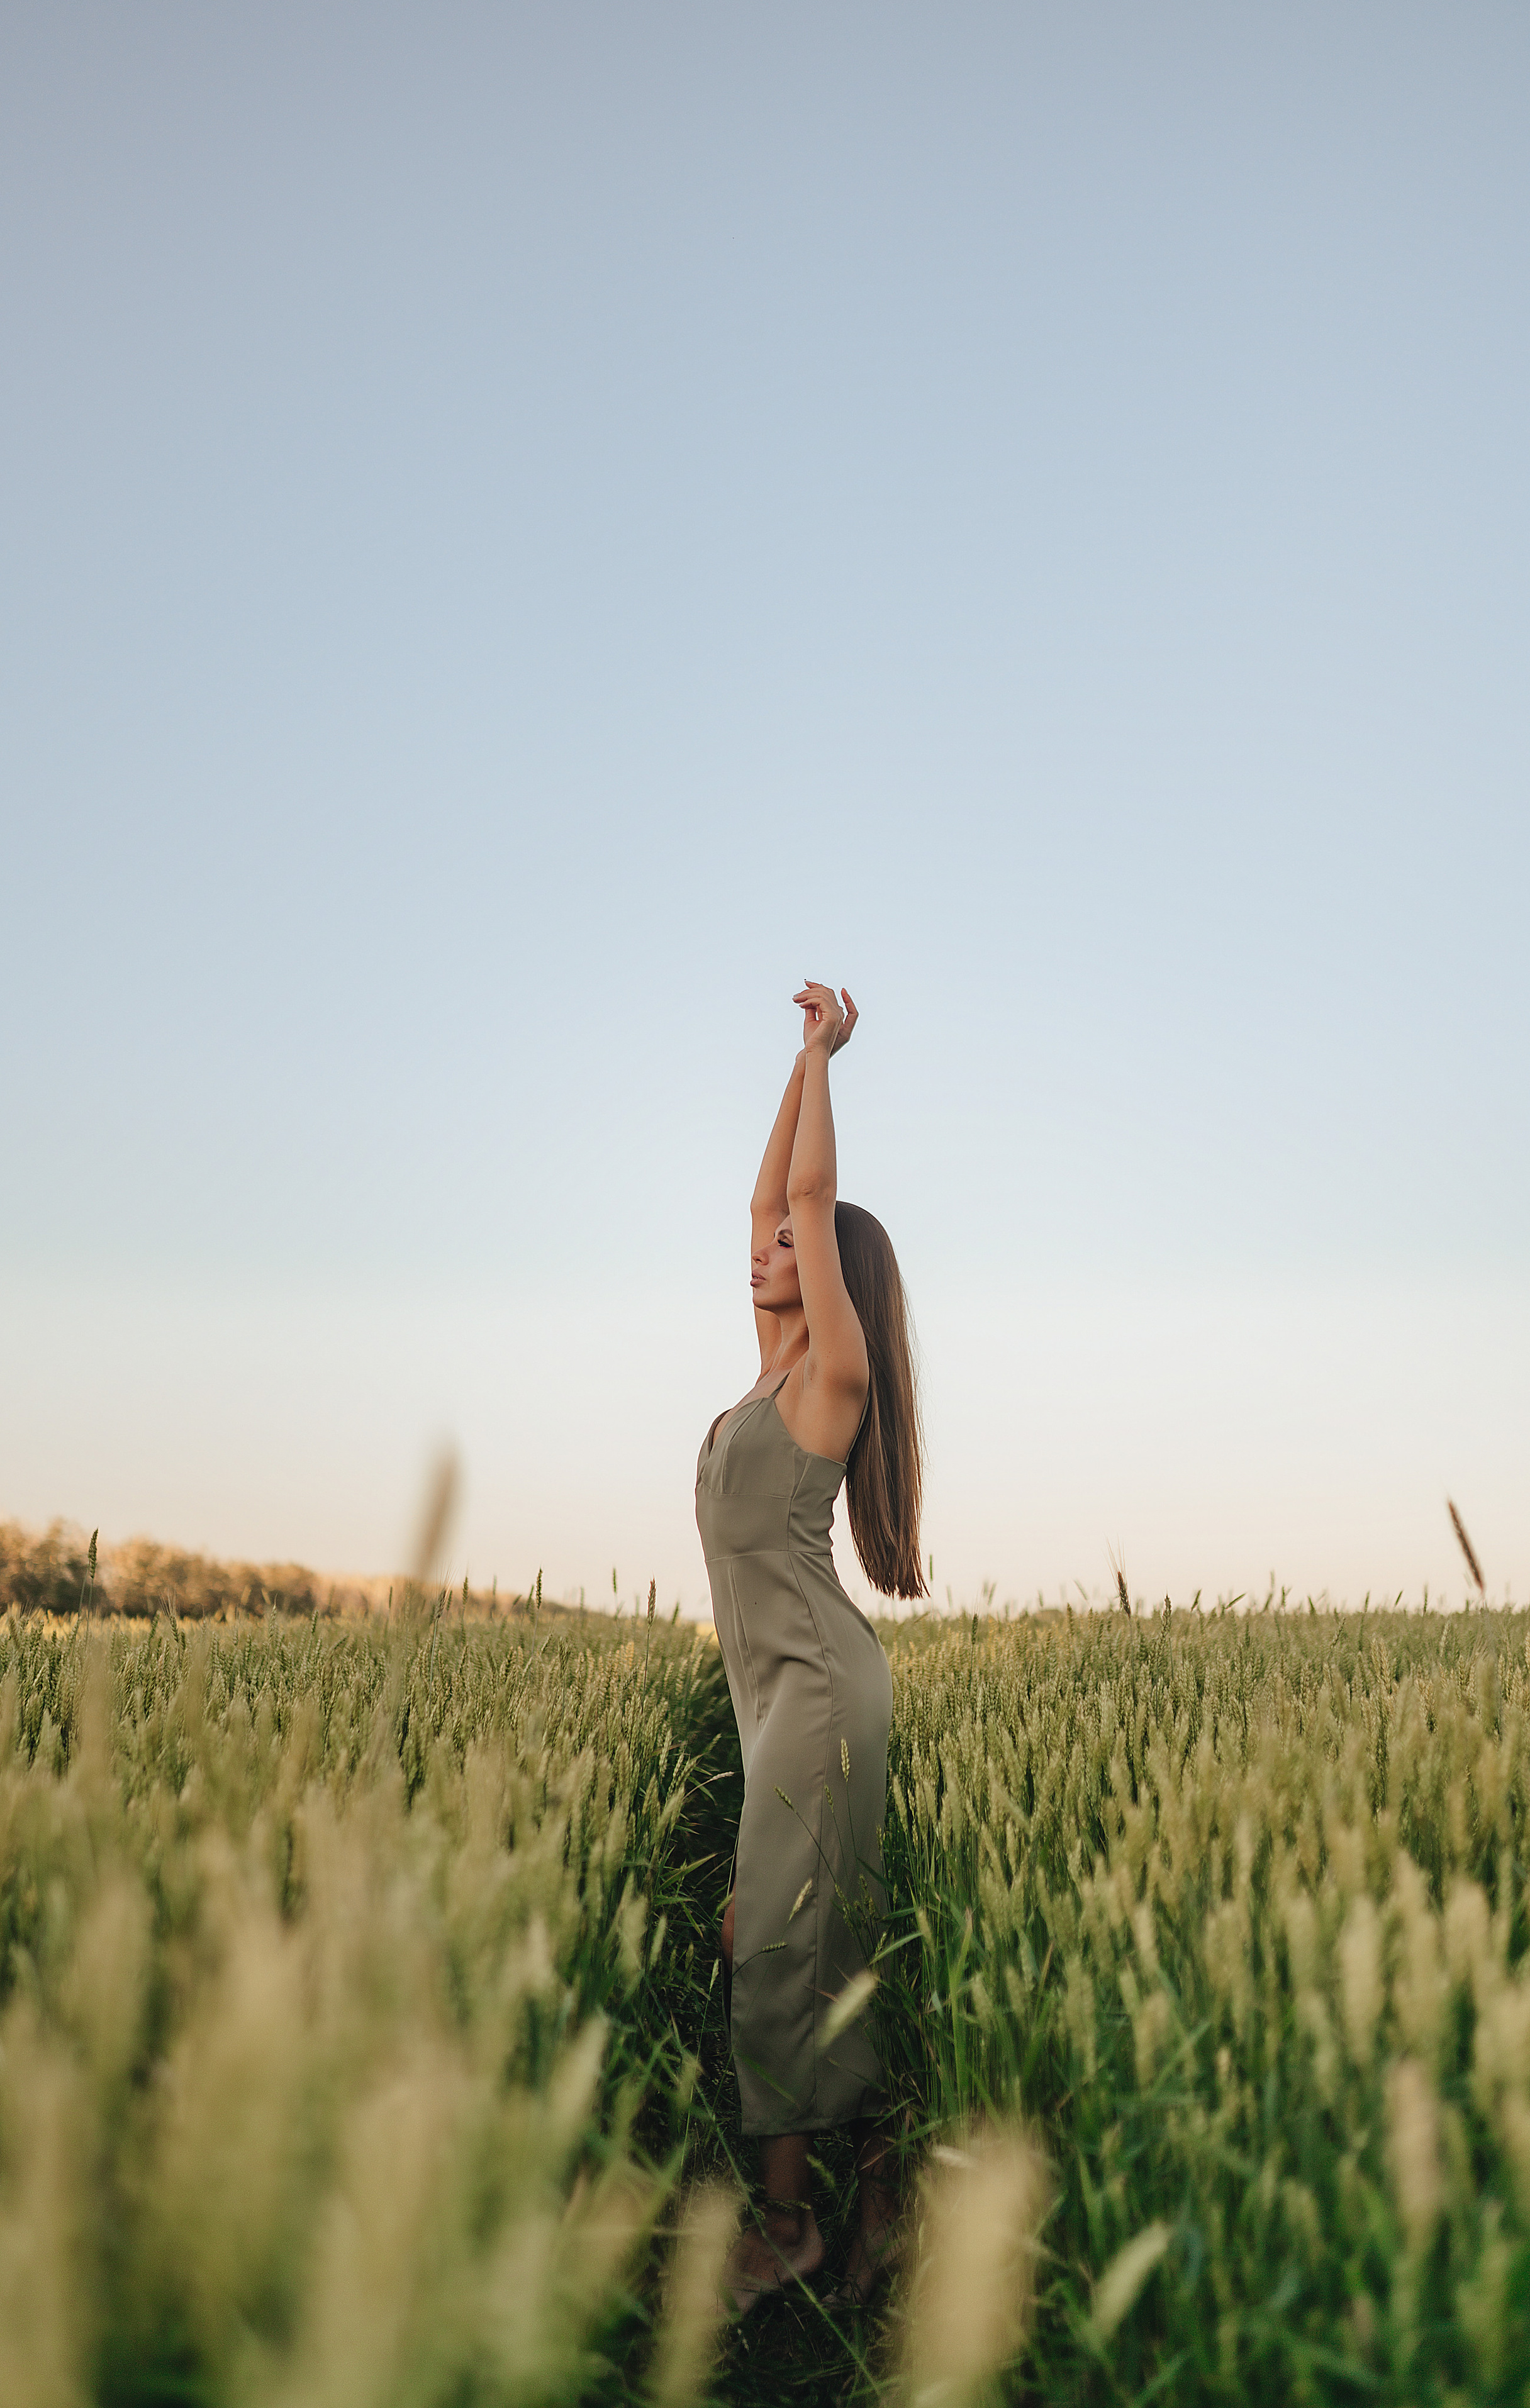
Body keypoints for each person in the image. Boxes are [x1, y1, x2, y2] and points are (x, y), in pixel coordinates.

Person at [695, 979, 927, 2314]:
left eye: (794, 1245)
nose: (764, 1247)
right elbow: (761, 1202)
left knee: (777, 1942)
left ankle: (785, 2226)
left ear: (832, 1271)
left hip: (821, 1694)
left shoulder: (829, 1378)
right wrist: (789, 1074)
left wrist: (817, 1057)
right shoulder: (761, 1374)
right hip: (775, 1691)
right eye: (772, 1243)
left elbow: (799, 1203)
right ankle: (883, 2174)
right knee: (784, 1933)